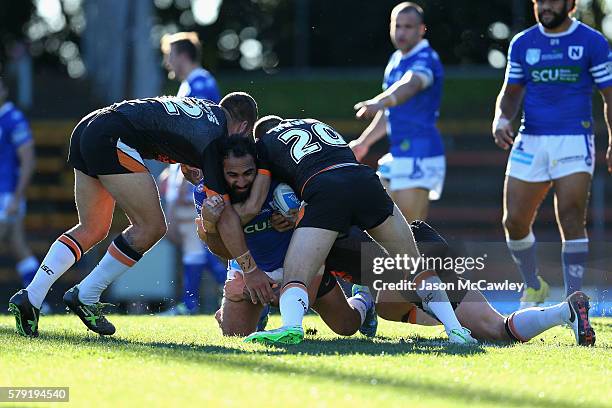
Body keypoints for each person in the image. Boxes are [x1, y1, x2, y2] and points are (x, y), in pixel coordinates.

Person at [198, 135, 595, 346]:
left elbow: (304, 258)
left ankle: (347, 309)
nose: (241, 183)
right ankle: (564, 313)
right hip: (414, 243)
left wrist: (251, 272)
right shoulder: (317, 165)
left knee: (483, 328)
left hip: (384, 260)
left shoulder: (296, 194)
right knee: (491, 327)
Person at [8, 92, 259, 337]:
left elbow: (171, 131)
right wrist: (250, 267)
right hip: (112, 135)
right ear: (243, 127)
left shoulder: (205, 112)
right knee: (151, 227)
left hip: (89, 125)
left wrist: (188, 166)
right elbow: (224, 213)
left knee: (92, 228)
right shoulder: (217, 139)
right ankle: (86, 295)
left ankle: (31, 297)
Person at [220, 115, 474, 345]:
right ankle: (456, 330)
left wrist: (228, 220)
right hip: (365, 182)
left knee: (296, 273)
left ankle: (291, 326)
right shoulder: (317, 124)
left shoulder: (266, 144)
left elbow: (259, 197)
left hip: (326, 189)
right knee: (414, 265)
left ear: (258, 137)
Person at [193, 135, 378, 337]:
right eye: (232, 175)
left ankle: (363, 299)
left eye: (248, 173)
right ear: (221, 172)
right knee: (233, 334)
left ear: (257, 166)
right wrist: (210, 226)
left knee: (347, 326)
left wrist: (296, 220)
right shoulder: (207, 191)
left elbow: (318, 224)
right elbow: (222, 250)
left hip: (300, 264)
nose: (241, 181)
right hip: (249, 268)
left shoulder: (281, 180)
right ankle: (247, 310)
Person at [492, 0, 612, 308]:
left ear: (571, 4)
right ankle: (534, 285)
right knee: (514, 221)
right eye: (540, 1)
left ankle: (574, 300)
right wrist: (501, 119)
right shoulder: (522, 43)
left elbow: (609, 95)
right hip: (530, 139)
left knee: (571, 217)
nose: (545, 6)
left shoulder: (592, 41)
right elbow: (510, 92)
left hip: (574, 139)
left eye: (553, 0)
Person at [350, 2, 444, 222]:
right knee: (378, 221)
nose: (401, 32)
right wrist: (364, 143)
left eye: (408, 27)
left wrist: (381, 101)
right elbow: (388, 113)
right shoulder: (395, 60)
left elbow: (410, 85)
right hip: (398, 154)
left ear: (422, 29)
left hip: (420, 155)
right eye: (397, 26)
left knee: (410, 230)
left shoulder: (426, 58)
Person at [160, 31, 226, 315]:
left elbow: (199, 131)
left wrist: (188, 172)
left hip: (198, 170)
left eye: (169, 55)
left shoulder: (200, 83)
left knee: (190, 231)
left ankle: (195, 301)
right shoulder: (193, 83)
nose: (167, 61)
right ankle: (191, 301)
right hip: (190, 168)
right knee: (190, 235)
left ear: (182, 55)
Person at [0, 78, 40, 305]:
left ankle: (37, 298)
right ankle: (37, 298)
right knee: (18, 246)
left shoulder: (13, 119)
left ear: (5, 90)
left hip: (6, 195)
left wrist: (16, 198)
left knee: (16, 245)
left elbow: (28, 161)